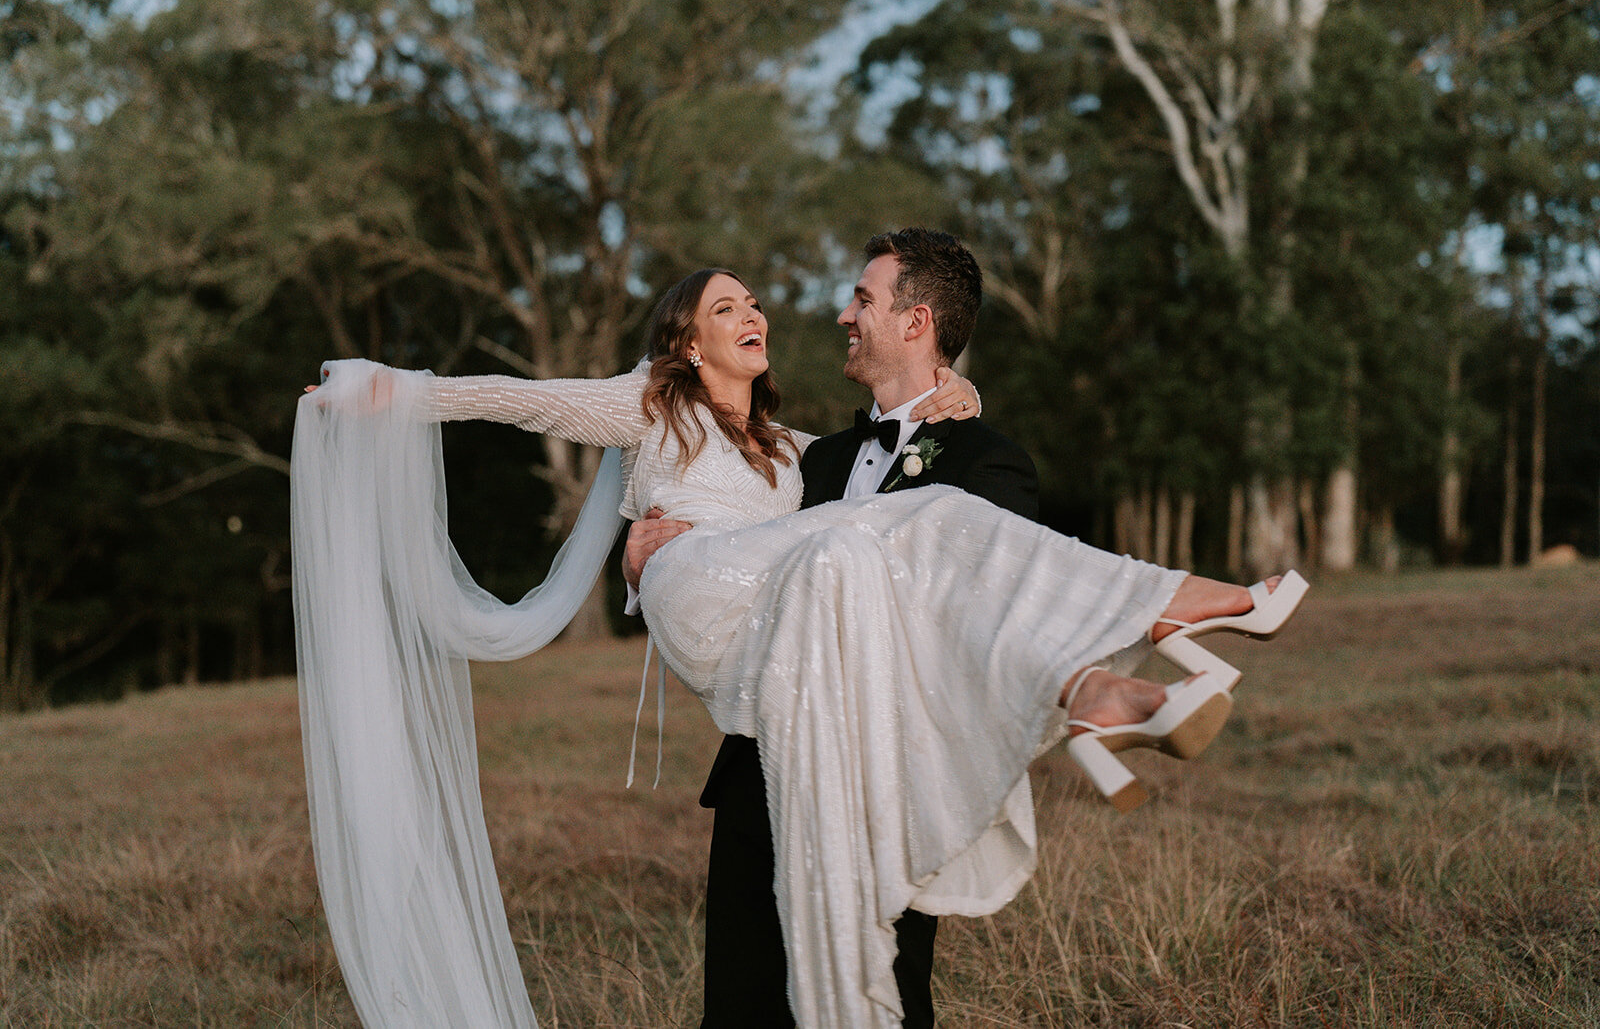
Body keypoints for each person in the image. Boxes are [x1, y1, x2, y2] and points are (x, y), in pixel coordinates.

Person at [291, 238, 1308, 1029]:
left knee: (914, 526)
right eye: (726, 306)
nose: (757, 314)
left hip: (781, 643)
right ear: (689, 342)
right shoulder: (651, 409)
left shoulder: (793, 454)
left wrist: (961, 397)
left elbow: (890, 461)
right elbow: (516, 399)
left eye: (754, 301)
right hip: (694, 586)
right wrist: (387, 389)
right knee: (917, 528)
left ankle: (1096, 688)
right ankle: (1197, 608)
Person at [623, 228, 1039, 1027]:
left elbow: (976, 623)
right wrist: (642, 559)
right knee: (740, 1006)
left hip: (883, 782)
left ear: (915, 322)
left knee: (874, 1005)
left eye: (862, 299)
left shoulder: (990, 462)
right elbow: (730, 553)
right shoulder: (813, 461)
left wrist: (969, 396)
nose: (843, 314)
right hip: (760, 774)